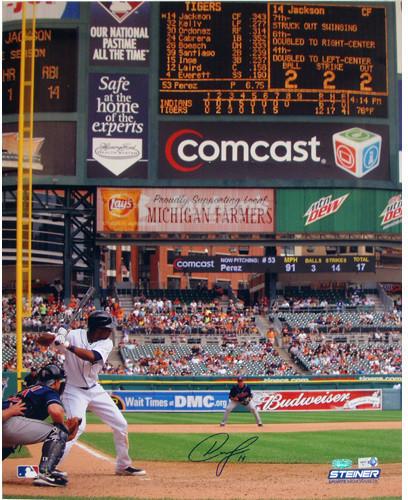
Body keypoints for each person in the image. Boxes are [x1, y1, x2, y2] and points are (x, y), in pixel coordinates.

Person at [54, 310, 146, 476]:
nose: (110, 331)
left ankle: (123, 466)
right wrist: (56, 336)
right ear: (96, 328)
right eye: (107, 328)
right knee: (76, 427)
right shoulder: (73, 334)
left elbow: (92, 357)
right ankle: (50, 467)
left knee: (121, 424)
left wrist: (67, 345)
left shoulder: (106, 343)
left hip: (94, 388)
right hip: (73, 390)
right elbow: (45, 341)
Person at [2, 364, 70, 487]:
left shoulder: (28, 390)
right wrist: (63, 425)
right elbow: (55, 411)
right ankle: (46, 473)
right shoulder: (49, 390)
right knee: (59, 431)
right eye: (59, 381)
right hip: (8, 423)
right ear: (54, 382)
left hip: (6, 422)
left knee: (10, 444)